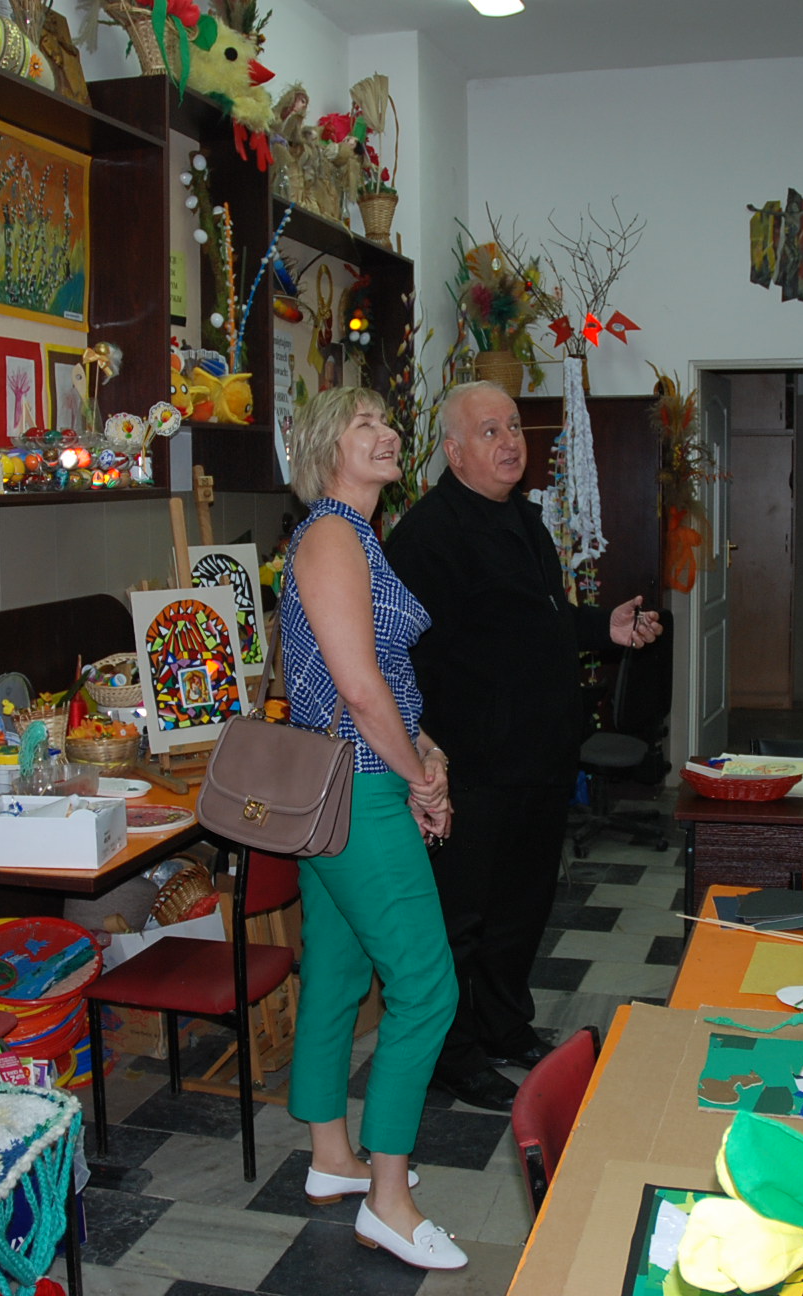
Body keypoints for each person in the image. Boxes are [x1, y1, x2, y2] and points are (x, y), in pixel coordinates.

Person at [383, 380, 662, 1112]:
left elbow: (544, 619)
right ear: (453, 451)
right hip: (470, 765)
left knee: (521, 909)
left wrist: (604, 627)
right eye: (490, 431)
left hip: (539, 756)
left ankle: (504, 1025)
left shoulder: (525, 519)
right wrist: (423, 756)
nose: (510, 442)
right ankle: (452, 1054)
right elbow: (398, 659)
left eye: (513, 427)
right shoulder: (426, 537)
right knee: (461, 919)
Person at [276, 386, 466, 1271]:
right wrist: (415, 775)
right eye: (366, 425)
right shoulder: (331, 536)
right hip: (357, 790)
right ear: (327, 447)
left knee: (340, 972)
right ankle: (389, 1201)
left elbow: (375, 679)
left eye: (389, 422)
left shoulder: (354, 536)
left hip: (341, 784)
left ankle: (332, 1158)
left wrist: (424, 752)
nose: (388, 434)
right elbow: (356, 689)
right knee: (426, 988)